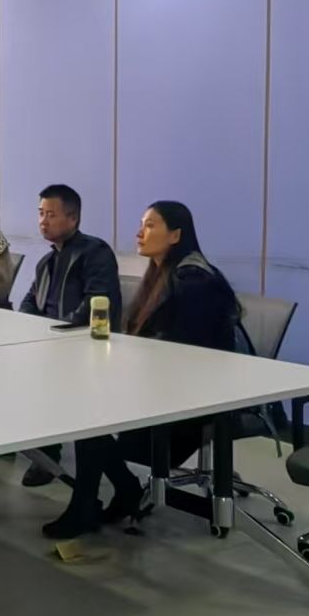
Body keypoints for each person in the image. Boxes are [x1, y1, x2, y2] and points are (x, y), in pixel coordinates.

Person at [41, 200, 238, 541]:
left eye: (150, 225)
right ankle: (118, 492)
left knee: (90, 414)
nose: (139, 233)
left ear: (176, 235)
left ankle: (93, 502)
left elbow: (185, 356)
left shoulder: (194, 282)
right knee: (85, 406)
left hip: (194, 401)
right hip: (163, 385)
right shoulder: (162, 275)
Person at [18, 184, 123, 488]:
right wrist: (31, 328)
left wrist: (55, 332)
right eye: (40, 213)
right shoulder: (48, 260)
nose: (43, 221)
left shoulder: (94, 252)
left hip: (82, 348)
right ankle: (43, 453)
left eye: (51, 215)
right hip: (51, 345)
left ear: (73, 218)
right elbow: (30, 300)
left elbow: (95, 302)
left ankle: (50, 456)